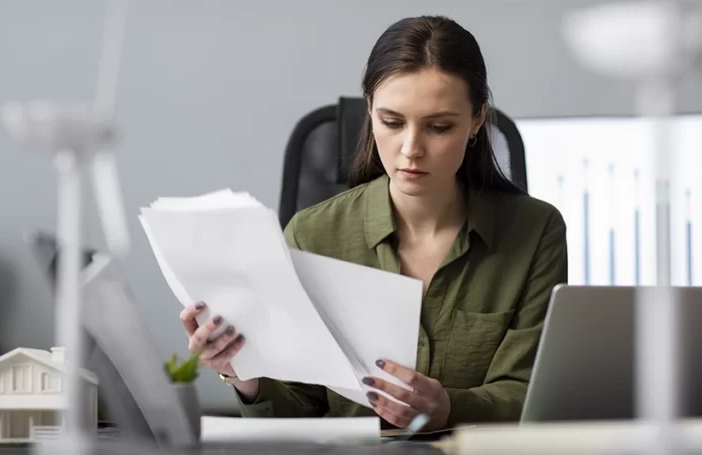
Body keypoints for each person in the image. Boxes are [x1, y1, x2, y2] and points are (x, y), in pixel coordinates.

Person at [178, 15, 567, 431]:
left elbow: (530, 391)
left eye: (439, 127)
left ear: (476, 120)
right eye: (392, 122)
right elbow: (297, 408)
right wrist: (243, 372)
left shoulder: (536, 232)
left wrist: (449, 408)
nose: (411, 149)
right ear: (370, 110)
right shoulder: (311, 234)